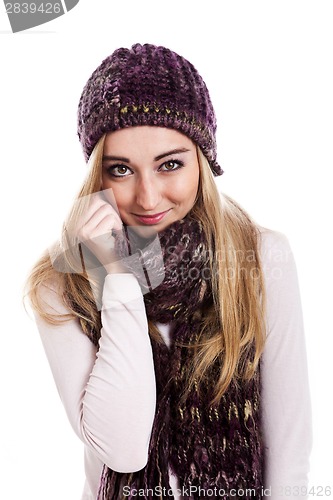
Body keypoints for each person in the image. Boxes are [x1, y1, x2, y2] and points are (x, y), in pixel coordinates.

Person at [27, 43, 312, 500]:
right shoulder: (62, 284)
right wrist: (116, 278)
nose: (147, 197)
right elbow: (124, 451)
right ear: (96, 175)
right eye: (121, 169)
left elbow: (290, 451)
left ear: (203, 160)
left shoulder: (259, 259)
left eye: (170, 165)